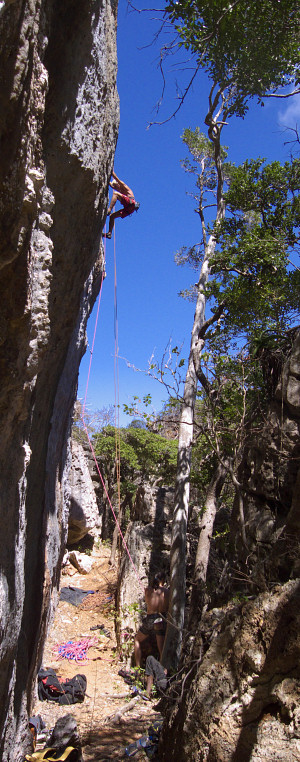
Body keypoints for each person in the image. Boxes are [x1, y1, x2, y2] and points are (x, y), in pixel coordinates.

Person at [134, 572, 169, 668]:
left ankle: (137, 666)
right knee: (161, 648)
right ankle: (163, 669)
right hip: (161, 619)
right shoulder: (167, 592)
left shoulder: (148, 590)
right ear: (163, 581)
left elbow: (147, 599)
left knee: (137, 640)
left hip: (150, 619)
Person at [103, 170, 140, 239]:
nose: (115, 188)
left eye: (115, 186)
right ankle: (109, 233)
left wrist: (110, 170)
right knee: (112, 216)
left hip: (130, 202)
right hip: (129, 210)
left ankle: (109, 210)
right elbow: (111, 185)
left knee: (115, 194)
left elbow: (116, 178)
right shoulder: (117, 188)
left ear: (117, 184)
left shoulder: (123, 185)